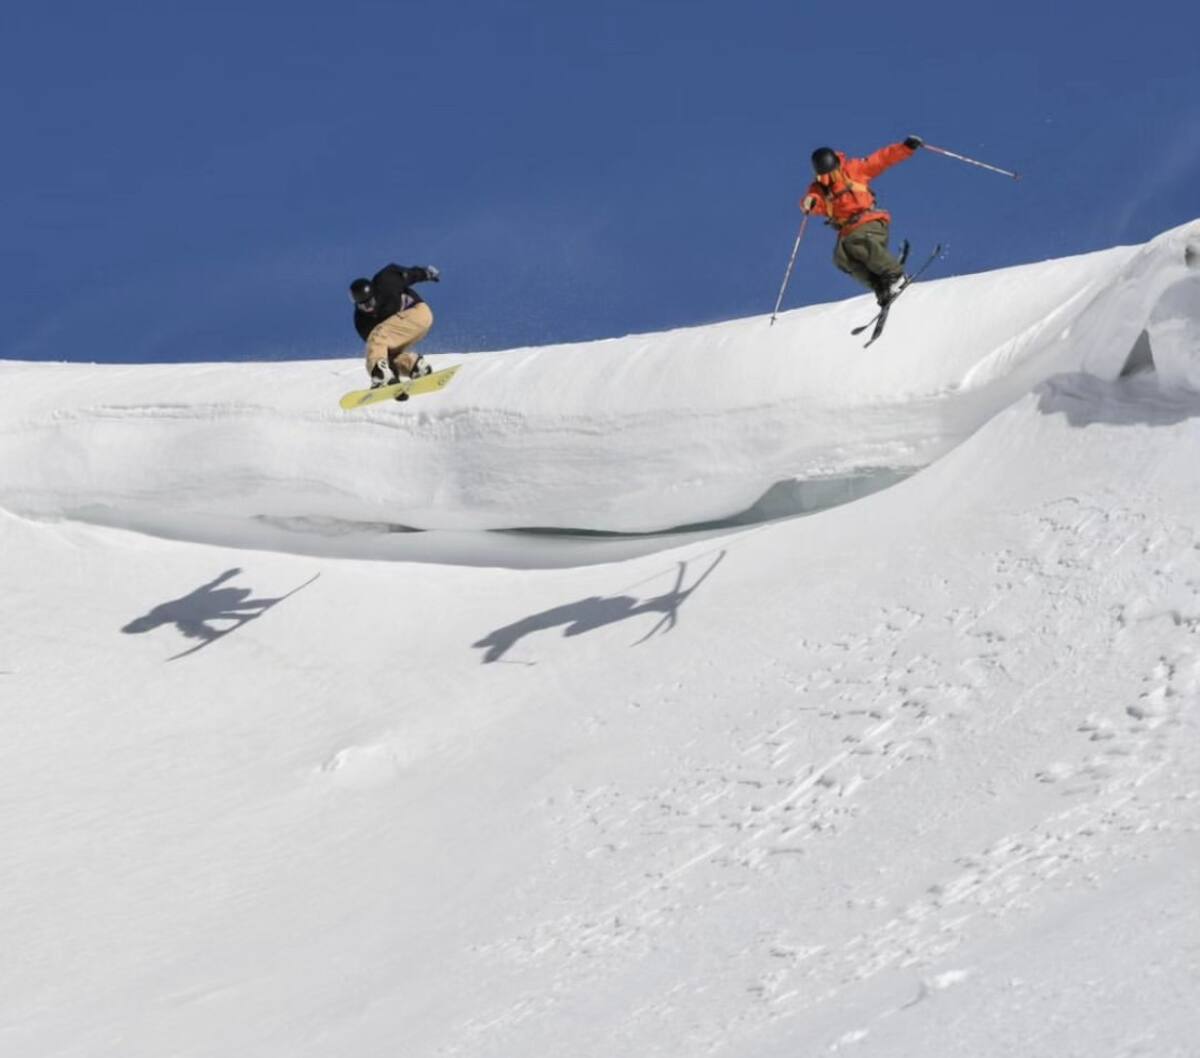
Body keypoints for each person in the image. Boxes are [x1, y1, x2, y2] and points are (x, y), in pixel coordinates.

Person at [800, 136, 923, 306]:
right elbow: (813, 201)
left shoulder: (853, 170)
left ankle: (895, 275)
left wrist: (905, 148)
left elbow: (881, 159)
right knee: (840, 257)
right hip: (849, 230)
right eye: (825, 178)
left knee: (855, 241)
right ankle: (880, 285)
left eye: (833, 174)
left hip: (871, 221)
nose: (830, 180)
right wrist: (809, 203)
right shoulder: (820, 189)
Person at [348, 263, 441, 387]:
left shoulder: (385, 281)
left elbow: (409, 275)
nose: (369, 308)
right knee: (385, 353)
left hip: (417, 313)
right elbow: (383, 353)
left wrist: (426, 273)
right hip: (403, 329)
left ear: (374, 293)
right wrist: (395, 384)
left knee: (377, 335)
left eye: (370, 302)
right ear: (356, 304)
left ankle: (380, 375)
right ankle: (415, 366)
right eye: (364, 305)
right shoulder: (362, 322)